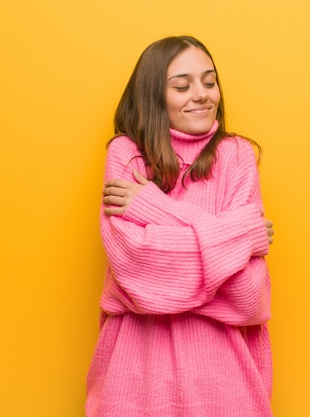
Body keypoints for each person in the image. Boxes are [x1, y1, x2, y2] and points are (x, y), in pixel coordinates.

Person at [86, 35, 275, 417]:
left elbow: (248, 293)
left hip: (226, 385)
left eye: (209, 81)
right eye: (182, 86)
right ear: (154, 95)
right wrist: (240, 235)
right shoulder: (126, 154)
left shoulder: (236, 155)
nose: (202, 94)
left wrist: (151, 207)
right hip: (134, 379)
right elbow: (135, 266)